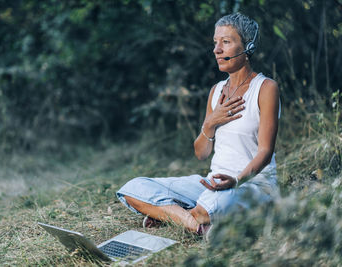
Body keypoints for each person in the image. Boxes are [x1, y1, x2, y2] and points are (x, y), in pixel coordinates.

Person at [116, 13, 280, 237]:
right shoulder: (216, 91)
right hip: (213, 182)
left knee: (207, 207)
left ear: (248, 46)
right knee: (132, 189)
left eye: (226, 42)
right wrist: (210, 123)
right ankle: (196, 224)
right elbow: (201, 153)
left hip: (252, 186)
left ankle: (174, 215)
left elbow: (265, 150)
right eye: (215, 42)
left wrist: (236, 180)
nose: (217, 50)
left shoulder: (266, 88)